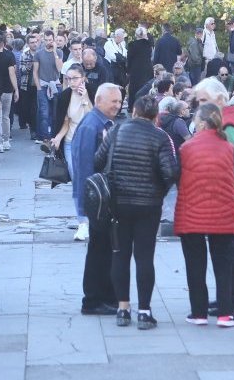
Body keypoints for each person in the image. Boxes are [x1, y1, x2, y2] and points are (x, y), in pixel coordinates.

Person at [95, 95, 178, 330]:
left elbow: (98, 161)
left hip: (119, 203)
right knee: (144, 257)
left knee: (120, 255)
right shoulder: (160, 136)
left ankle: (122, 309)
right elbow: (171, 172)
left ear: (133, 111)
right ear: (156, 116)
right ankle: (144, 311)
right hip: (149, 205)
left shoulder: (116, 131)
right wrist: (159, 191)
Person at [175, 103, 234, 327]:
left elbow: (179, 178)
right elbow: (233, 177)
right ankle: (225, 313)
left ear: (201, 123)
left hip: (191, 213)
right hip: (222, 213)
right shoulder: (228, 147)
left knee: (195, 264)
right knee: (223, 265)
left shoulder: (186, 148)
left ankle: (199, 313)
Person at [72, 83, 123, 315]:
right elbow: (84, 167)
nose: (117, 105)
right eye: (113, 101)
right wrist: (88, 204)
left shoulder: (104, 123)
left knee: (105, 249)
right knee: (98, 251)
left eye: (119, 101)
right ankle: (93, 299)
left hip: (104, 198)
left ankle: (105, 296)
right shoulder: (91, 125)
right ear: (99, 100)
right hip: (98, 200)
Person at [51, 65, 93, 240]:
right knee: (77, 182)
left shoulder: (93, 91)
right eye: (68, 79)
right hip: (70, 143)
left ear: (83, 78)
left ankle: (93, 217)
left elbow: (94, 117)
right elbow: (66, 121)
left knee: (91, 181)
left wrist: (85, 98)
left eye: (74, 78)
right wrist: (58, 137)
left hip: (90, 143)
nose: (71, 82)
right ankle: (83, 223)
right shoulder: (65, 96)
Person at [32, 34, 63, 141]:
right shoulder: (38, 54)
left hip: (55, 85)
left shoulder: (59, 52)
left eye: (50, 40)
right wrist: (38, 87)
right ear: (43, 41)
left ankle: (53, 136)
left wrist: (55, 52)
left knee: (55, 113)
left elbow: (59, 69)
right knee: (44, 112)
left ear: (53, 40)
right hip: (43, 85)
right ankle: (45, 137)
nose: (48, 42)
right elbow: (35, 72)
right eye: (46, 40)